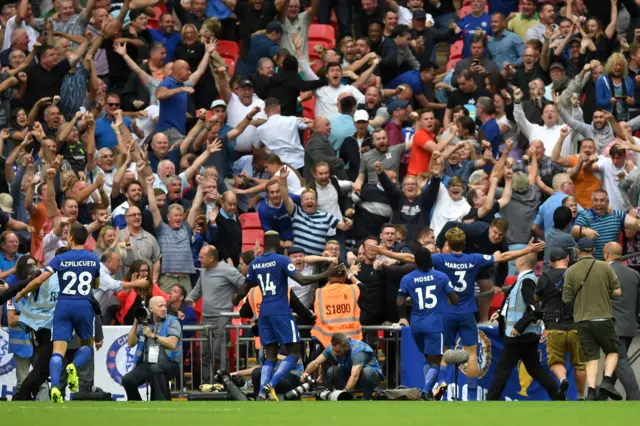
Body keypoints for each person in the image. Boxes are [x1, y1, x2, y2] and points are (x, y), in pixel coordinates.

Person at [232, 230, 344, 400]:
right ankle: (272, 383)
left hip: (264, 313)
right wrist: (327, 274)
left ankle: (262, 391)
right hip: (281, 311)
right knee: (294, 353)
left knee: (269, 356)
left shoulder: (255, 263)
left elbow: (245, 288)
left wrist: (236, 298)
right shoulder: (282, 260)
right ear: (278, 244)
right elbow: (302, 280)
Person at [15, 223, 100, 404]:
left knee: (57, 350)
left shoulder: (60, 259)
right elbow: (97, 285)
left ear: (71, 238)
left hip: (64, 305)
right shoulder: (93, 259)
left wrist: (22, 292)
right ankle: (73, 366)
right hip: (83, 304)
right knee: (86, 345)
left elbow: (39, 280)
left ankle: (54, 388)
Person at [487, 252, 561, 401]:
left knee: (503, 370)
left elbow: (534, 309)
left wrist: (520, 326)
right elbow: (516, 302)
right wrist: (501, 313)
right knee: (535, 369)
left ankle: (490, 401)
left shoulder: (526, 281)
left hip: (518, 335)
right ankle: (558, 395)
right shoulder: (526, 279)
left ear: (521, 262)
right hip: (525, 335)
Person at [562, 238, 623, 401]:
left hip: (582, 319)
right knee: (612, 350)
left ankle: (590, 391)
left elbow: (566, 299)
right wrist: (603, 292)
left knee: (591, 357)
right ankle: (607, 381)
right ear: (594, 251)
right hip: (603, 317)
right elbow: (617, 292)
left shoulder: (571, 271)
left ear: (578, 251)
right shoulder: (604, 267)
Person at [397, 246, 458, 400]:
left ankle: (430, 391)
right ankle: (427, 390)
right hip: (434, 323)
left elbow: (399, 302)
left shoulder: (407, 278)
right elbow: (455, 299)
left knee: (427, 358)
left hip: (416, 323)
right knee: (436, 360)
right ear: (430, 260)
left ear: (415, 262)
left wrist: (412, 298)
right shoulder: (441, 276)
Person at [185, 245, 246, 383]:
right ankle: (207, 384)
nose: (198, 259)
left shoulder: (227, 269)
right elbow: (198, 289)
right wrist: (188, 300)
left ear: (211, 258)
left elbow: (244, 284)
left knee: (219, 353)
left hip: (222, 318)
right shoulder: (204, 271)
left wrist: (236, 299)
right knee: (204, 354)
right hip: (206, 318)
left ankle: (223, 384)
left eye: (201, 257)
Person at [534, 247, 587, 400]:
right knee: (579, 364)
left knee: (556, 361)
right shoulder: (577, 274)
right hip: (576, 325)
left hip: (554, 326)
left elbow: (536, 298)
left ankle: (563, 379)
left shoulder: (545, 275)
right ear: (567, 259)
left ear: (551, 262)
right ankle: (582, 396)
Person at [600, 242, 640, 400]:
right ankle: (600, 397)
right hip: (630, 325)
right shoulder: (634, 273)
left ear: (606, 254)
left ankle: (635, 396)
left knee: (619, 358)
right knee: (615, 360)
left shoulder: (604, 271)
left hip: (612, 324)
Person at [122, 295, 182, 401]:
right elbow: (131, 343)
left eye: (165, 306)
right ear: (151, 309)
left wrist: (153, 335)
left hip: (170, 363)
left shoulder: (172, 321)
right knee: (127, 380)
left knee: (155, 369)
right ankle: (137, 406)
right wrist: (136, 323)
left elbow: (172, 343)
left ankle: (161, 402)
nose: (164, 308)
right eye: (160, 306)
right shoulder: (144, 322)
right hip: (147, 363)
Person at [301, 332, 383, 401]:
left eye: (338, 351)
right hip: (351, 375)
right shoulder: (332, 348)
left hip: (370, 377)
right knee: (332, 371)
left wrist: (345, 390)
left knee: (367, 372)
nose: (336, 354)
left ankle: (366, 398)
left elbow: (355, 375)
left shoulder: (358, 351)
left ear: (346, 346)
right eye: (334, 351)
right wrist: (305, 373)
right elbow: (316, 362)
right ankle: (346, 398)